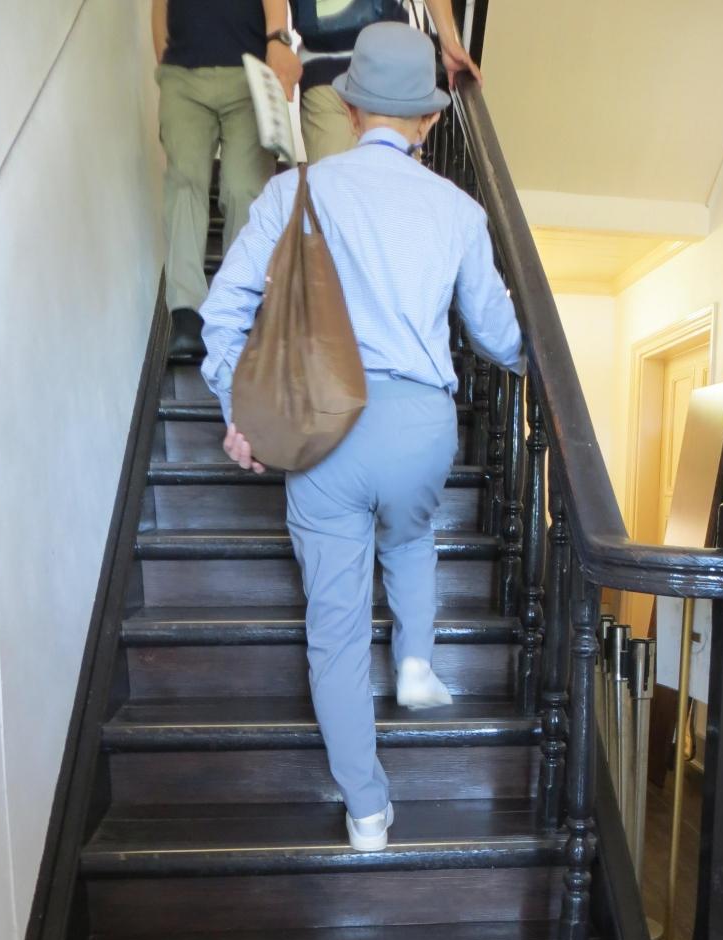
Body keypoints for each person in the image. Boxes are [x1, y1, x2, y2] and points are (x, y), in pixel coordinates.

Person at [201, 23, 524, 852]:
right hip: (422, 425)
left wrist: (238, 408)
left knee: (336, 631)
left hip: (325, 425)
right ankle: (416, 661)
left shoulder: (295, 191)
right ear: (429, 119)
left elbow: (224, 310)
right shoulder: (459, 210)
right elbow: (499, 337)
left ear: (348, 111)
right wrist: (542, 358)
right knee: (411, 537)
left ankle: (368, 811)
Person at [151, 1, 303, 357]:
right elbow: (160, 6)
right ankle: (186, 315)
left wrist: (277, 40)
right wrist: (165, 65)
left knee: (243, 187)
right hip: (182, 76)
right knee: (184, 182)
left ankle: (238, 305)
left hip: (249, 71)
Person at [294, 1, 482, 162]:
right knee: (387, 180)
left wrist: (449, 42)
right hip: (340, 70)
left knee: (337, 183)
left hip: (379, 71)